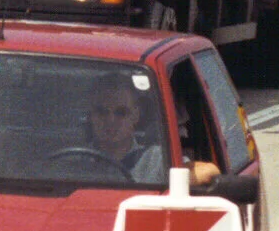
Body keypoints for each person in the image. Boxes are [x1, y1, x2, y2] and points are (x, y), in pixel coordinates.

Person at [85, 72, 217, 186]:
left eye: (121, 112)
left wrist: (177, 181)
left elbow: (209, 171)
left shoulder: (157, 160)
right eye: (101, 112)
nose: (110, 120)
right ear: (91, 114)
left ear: (135, 115)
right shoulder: (76, 160)